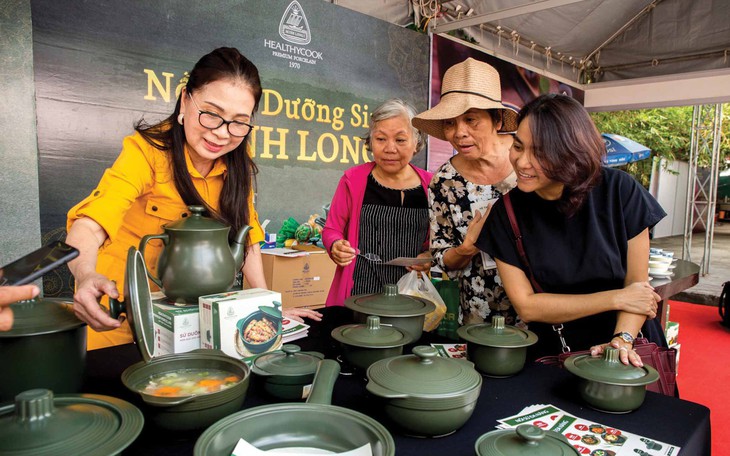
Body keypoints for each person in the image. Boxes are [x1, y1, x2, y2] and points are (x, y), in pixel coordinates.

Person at [66, 47, 320, 350]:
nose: (222, 134)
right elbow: (90, 224)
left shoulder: (238, 161)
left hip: (190, 323)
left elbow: (247, 235)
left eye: (239, 121)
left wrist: (267, 307)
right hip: (120, 320)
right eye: (212, 114)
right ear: (185, 100)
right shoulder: (146, 153)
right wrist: (85, 276)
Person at [479, 94, 664, 367]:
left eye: (539, 153)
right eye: (518, 146)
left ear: (570, 152)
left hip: (628, 345)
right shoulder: (506, 213)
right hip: (556, 351)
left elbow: (637, 289)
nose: (522, 162)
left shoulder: (621, 191)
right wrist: (615, 297)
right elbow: (527, 306)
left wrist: (622, 340)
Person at [412, 57, 520, 326]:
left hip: (538, 306)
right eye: (450, 123)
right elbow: (442, 257)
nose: (459, 133)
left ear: (496, 120)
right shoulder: (445, 182)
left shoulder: (530, 161)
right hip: (476, 313)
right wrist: (467, 248)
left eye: (471, 120)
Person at [323, 98, 432, 306]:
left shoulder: (431, 185)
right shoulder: (353, 180)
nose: (390, 148)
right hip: (360, 290)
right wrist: (336, 245)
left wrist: (428, 256)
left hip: (410, 294)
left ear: (416, 142)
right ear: (371, 141)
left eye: (400, 140)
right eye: (381, 139)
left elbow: (437, 243)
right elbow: (331, 229)